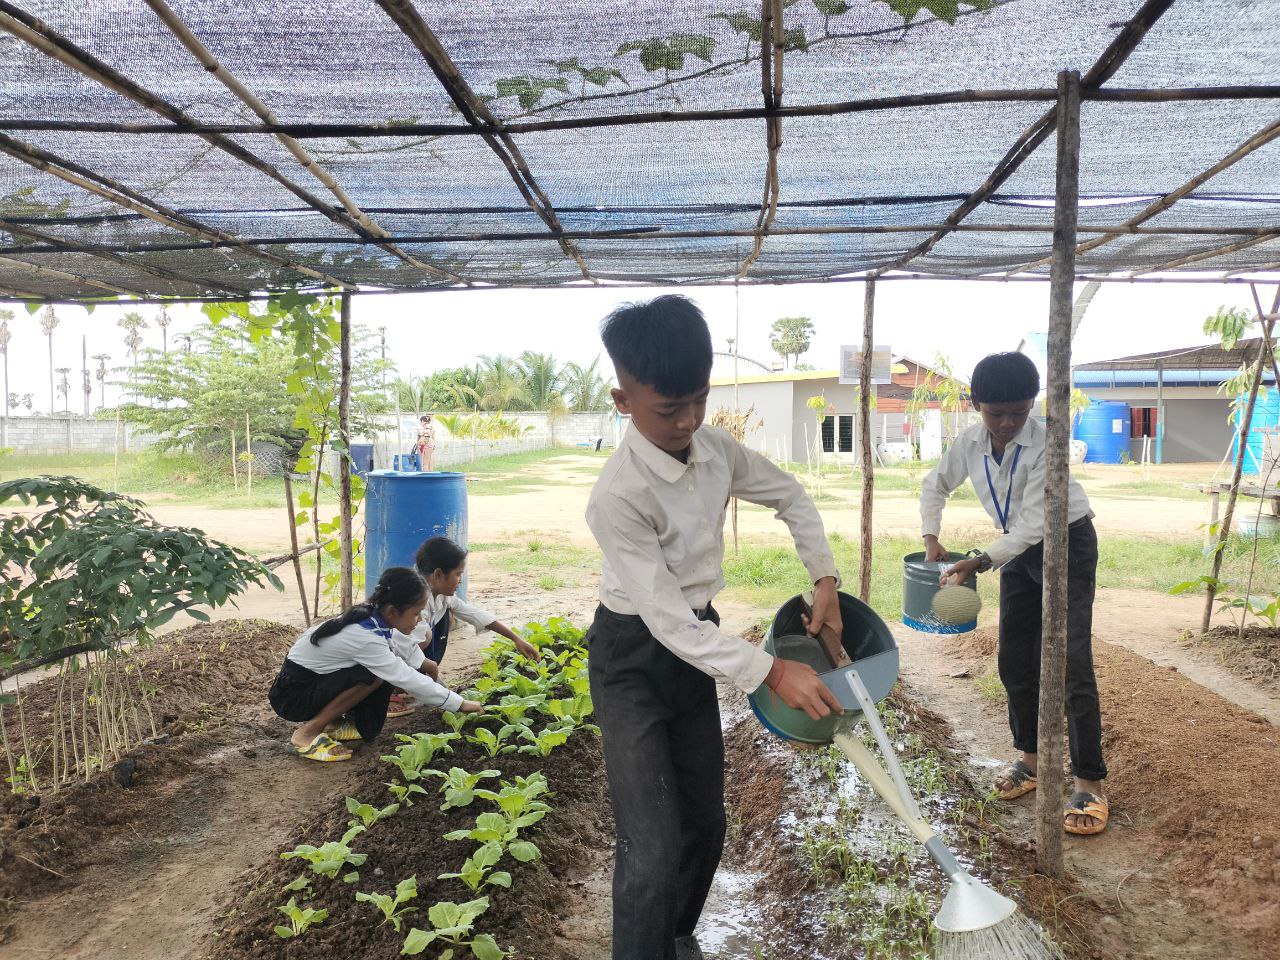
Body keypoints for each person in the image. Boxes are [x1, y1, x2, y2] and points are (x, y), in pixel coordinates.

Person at [585, 295, 845, 960]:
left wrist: (825, 579)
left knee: (705, 821)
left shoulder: (716, 449)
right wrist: (772, 670)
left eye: (697, 400)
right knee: (650, 846)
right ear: (623, 400)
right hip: (631, 660)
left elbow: (790, 494)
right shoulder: (617, 496)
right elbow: (665, 622)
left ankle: (675, 937)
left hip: (694, 646)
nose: (689, 421)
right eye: (668, 410)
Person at [919, 351, 1108, 836]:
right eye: (995, 412)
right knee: (1014, 659)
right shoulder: (969, 442)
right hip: (1016, 548)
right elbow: (934, 484)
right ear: (975, 403)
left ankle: (1089, 783)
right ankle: (1031, 759)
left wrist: (980, 560)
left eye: (1019, 412)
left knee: (1071, 660)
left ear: (1033, 405)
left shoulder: (1048, 446)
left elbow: (1033, 524)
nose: (1007, 423)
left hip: (1065, 541)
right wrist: (931, 538)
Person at [268, 566, 482, 762]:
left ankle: (331, 723)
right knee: (374, 676)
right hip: (292, 697)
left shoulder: (371, 619)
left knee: (377, 672)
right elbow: (404, 675)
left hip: (304, 684)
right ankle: (307, 733)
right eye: (416, 614)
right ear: (391, 612)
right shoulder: (366, 636)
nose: (418, 620)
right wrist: (459, 703)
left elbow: (402, 654)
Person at [385, 536, 541, 717]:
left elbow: (472, 613)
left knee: (444, 618)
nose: (460, 580)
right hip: (384, 659)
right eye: (458, 574)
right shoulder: (416, 597)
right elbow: (401, 644)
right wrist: (431, 669)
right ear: (437, 575)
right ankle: (391, 693)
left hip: (401, 652)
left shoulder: (438, 593)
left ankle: (411, 685)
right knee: (425, 633)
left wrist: (516, 638)